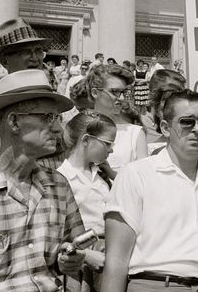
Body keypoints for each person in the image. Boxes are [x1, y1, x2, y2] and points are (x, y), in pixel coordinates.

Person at [0, 70, 85, 289]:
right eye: (48, 117)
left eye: (57, 118)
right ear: (14, 122)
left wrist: (68, 259)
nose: (58, 128)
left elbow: (71, 249)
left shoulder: (58, 185)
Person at [102, 89, 198, 291]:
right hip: (155, 284)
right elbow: (116, 260)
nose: (197, 129)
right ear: (165, 127)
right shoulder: (137, 175)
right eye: (187, 122)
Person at [58, 110, 117, 291]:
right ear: (86, 140)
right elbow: (55, 231)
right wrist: (86, 255)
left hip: (108, 256)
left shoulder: (102, 176)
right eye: (107, 143)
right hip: (80, 262)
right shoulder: (62, 177)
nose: (111, 149)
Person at [74, 64, 147, 174]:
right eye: (115, 92)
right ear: (95, 93)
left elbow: (143, 179)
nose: (122, 98)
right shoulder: (76, 129)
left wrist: (112, 174)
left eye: (124, 92)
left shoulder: (134, 134)